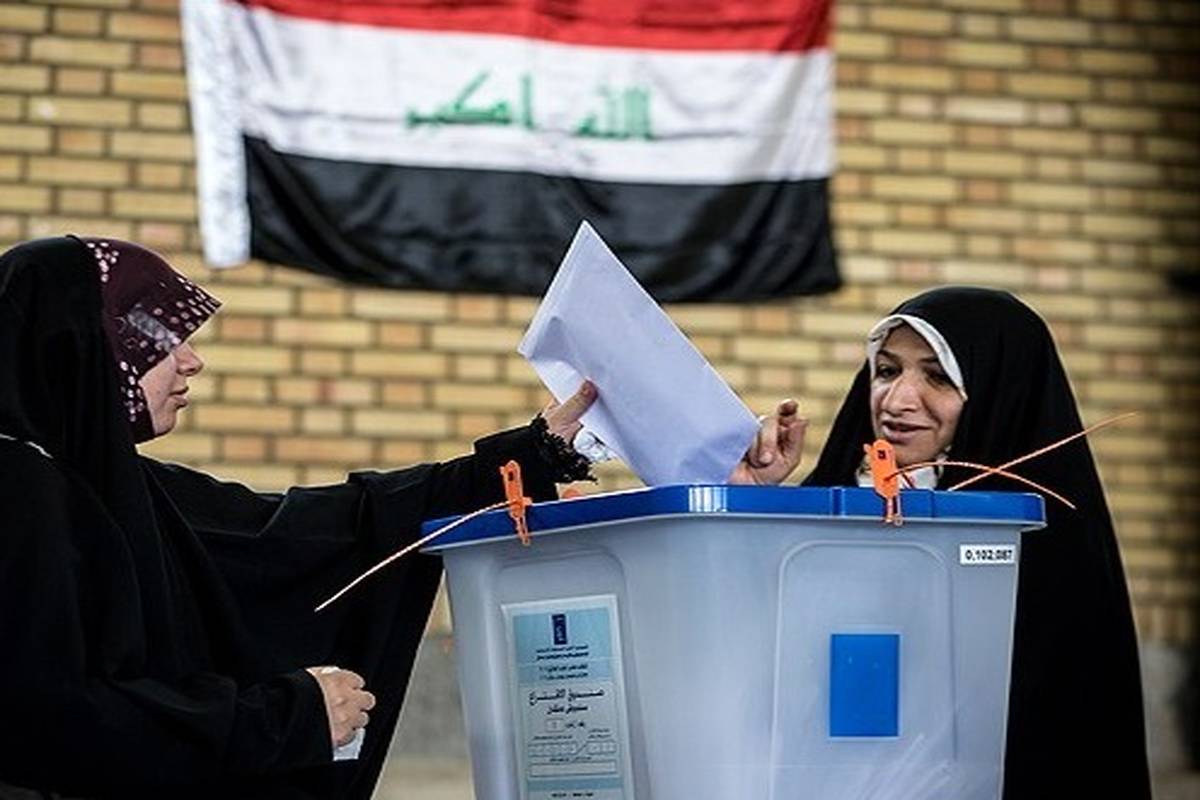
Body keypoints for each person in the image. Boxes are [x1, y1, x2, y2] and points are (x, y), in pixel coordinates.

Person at [0, 236, 596, 799]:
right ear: (83, 345)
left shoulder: (102, 482)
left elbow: (288, 535)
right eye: (158, 339)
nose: (191, 361)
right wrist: (282, 719)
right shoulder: (19, 488)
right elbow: (44, 720)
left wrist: (528, 456)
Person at [740, 286, 1151, 799]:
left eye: (938, 377)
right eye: (886, 371)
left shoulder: (1051, 547)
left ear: (1000, 391)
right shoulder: (828, 507)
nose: (897, 401)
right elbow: (745, 659)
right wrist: (752, 501)